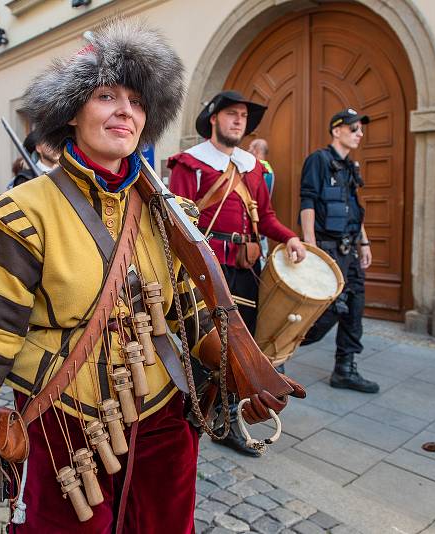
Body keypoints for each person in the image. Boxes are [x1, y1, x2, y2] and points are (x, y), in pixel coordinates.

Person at [0, 20, 302, 534]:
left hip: (165, 418)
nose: (126, 110)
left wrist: (246, 372)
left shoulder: (174, 212)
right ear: (72, 113)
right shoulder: (23, 213)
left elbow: (191, 319)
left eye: (138, 101)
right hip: (66, 423)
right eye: (106, 96)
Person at [168, 91, 306, 457]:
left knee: (242, 347)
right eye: (231, 114)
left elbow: (269, 217)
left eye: (243, 116)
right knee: (204, 343)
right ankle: (192, 414)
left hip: (245, 270)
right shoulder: (190, 165)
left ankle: (229, 418)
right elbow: (174, 223)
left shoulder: (254, 168)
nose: (238, 121)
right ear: (214, 118)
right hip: (207, 272)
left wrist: (290, 237)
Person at [299, 108, 379, 393]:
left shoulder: (349, 168)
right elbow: (307, 201)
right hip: (328, 249)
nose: (360, 134)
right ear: (337, 130)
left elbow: (354, 210)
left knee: (354, 308)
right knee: (329, 311)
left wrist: (364, 243)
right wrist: (311, 247)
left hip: (351, 251)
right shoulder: (318, 161)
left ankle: (345, 369)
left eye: (360, 129)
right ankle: (277, 351)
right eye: (354, 128)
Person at [248, 138, 274, 269]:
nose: (247, 150)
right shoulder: (267, 167)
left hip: (256, 216)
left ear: (256, 150)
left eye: (250, 147)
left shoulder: (259, 168)